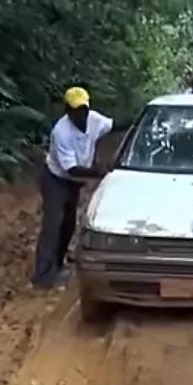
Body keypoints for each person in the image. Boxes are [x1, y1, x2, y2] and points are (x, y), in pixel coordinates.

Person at [32, 86, 114, 288]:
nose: (81, 115)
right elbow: (72, 169)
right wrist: (98, 171)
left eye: (84, 110)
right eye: (76, 110)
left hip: (73, 183)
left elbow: (115, 125)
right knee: (53, 225)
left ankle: (57, 265)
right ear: (68, 111)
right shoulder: (62, 132)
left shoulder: (95, 120)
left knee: (68, 224)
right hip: (56, 180)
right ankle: (42, 276)